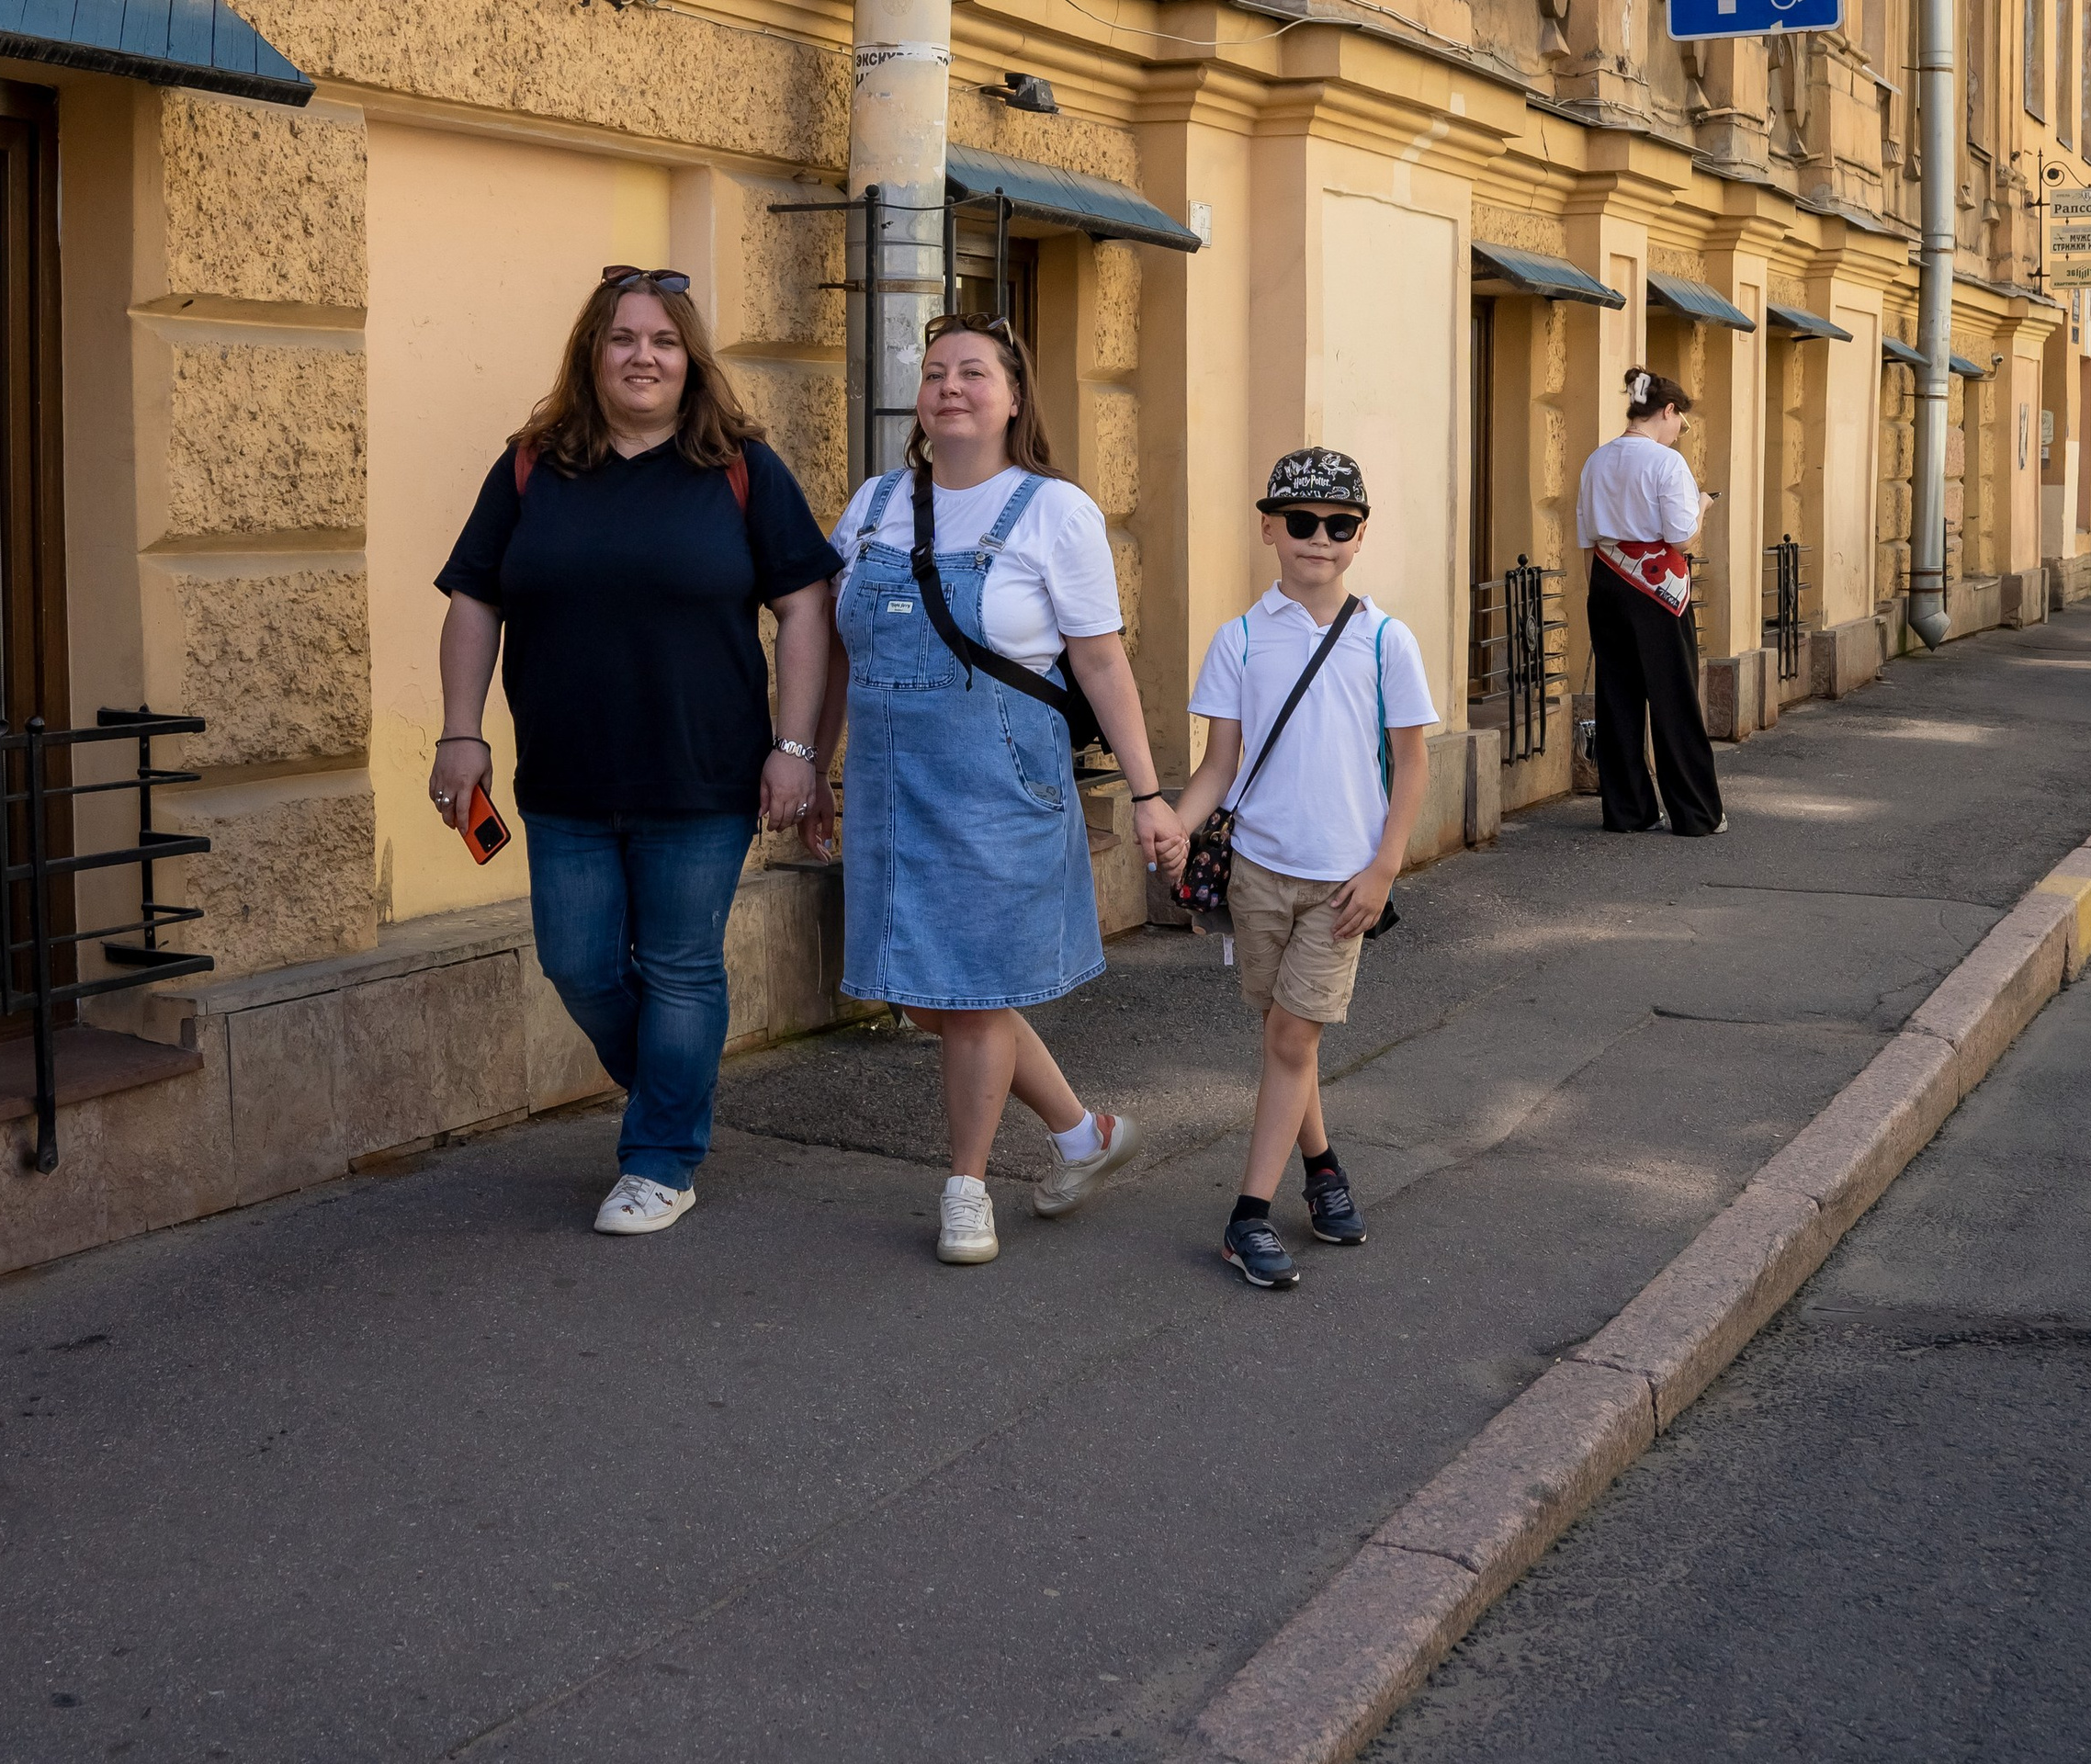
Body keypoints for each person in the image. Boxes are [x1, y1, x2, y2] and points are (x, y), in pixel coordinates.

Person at [432, 266, 839, 1236]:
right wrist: (459, 732)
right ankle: (670, 1091)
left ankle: (661, 1159)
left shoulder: (741, 469)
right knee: (577, 965)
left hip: (703, 774)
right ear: (592, 353)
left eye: (663, 341)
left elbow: (806, 606)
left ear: (690, 359)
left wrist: (796, 747)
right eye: (622, 338)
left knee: (680, 966)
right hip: (565, 775)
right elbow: (475, 599)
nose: (642, 357)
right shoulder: (530, 467)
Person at [808, 312, 1184, 1267]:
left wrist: (1149, 794)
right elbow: (837, 655)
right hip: (891, 788)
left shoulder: (1055, 511)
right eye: (935, 372)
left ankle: (966, 1189)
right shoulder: (874, 504)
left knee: (969, 996)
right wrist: (814, 767)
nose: (951, 387)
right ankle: (1083, 1136)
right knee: (931, 997)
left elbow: (1100, 662)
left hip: (999, 782)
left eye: (974, 372)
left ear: (1014, 399)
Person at [1171, 449, 1435, 1290]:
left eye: (1338, 524)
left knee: (1292, 1036)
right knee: (1289, 1036)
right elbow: (1219, 766)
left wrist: (1385, 869)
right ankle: (1322, 1169)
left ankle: (1247, 1217)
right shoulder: (1240, 638)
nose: (1319, 538)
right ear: (1269, 530)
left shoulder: (1386, 639)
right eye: (1301, 521)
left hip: (1344, 884)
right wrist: (1172, 825)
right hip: (1256, 874)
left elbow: (1412, 763)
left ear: (1360, 536)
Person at [1577, 366, 1724, 839]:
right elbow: (1681, 538)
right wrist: (1702, 506)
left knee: (1617, 699)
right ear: (1668, 410)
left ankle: (1628, 811)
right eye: (1682, 421)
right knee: (1673, 699)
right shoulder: (1667, 463)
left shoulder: (1596, 460)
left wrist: (1598, 593)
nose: (1681, 431)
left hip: (1606, 583)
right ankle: (1696, 814)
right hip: (1657, 590)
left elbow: (1587, 538)